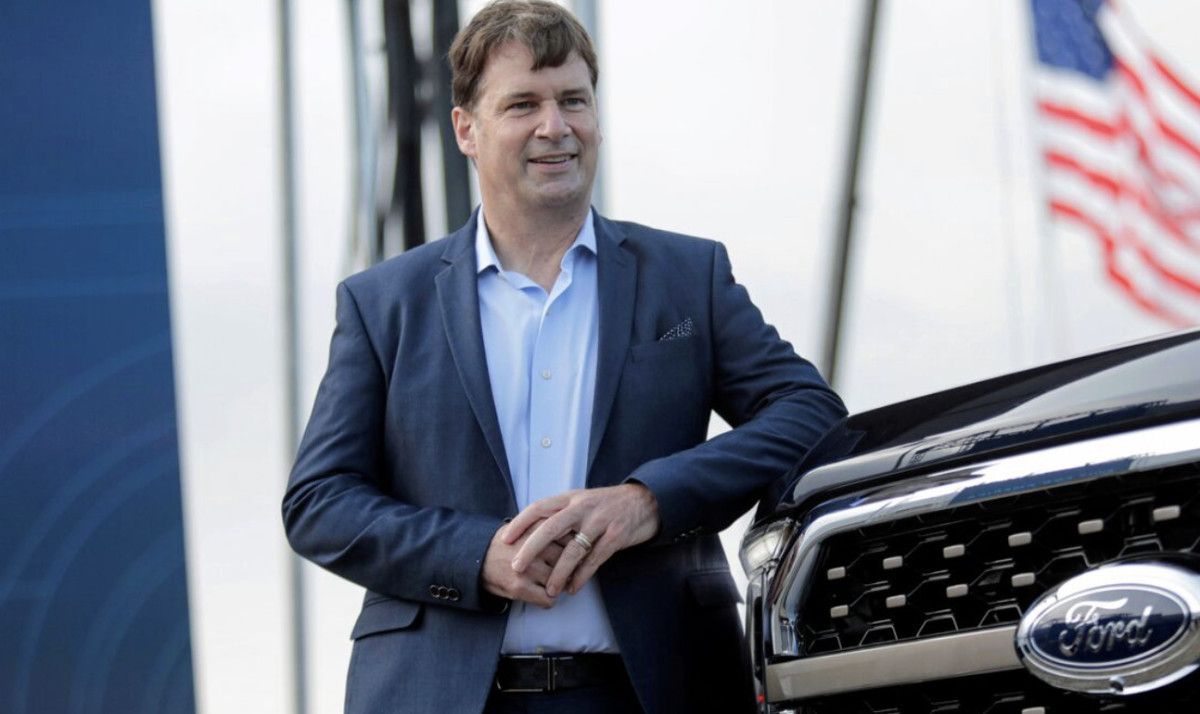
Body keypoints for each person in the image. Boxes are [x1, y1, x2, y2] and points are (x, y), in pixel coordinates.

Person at [282, 2, 846, 712]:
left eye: (573, 100)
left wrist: (648, 502)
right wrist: (475, 556)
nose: (555, 126)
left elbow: (810, 414)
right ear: (466, 129)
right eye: (523, 104)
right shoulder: (383, 304)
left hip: (657, 691)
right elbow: (320, 501)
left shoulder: (688, 277)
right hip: (439, 694)